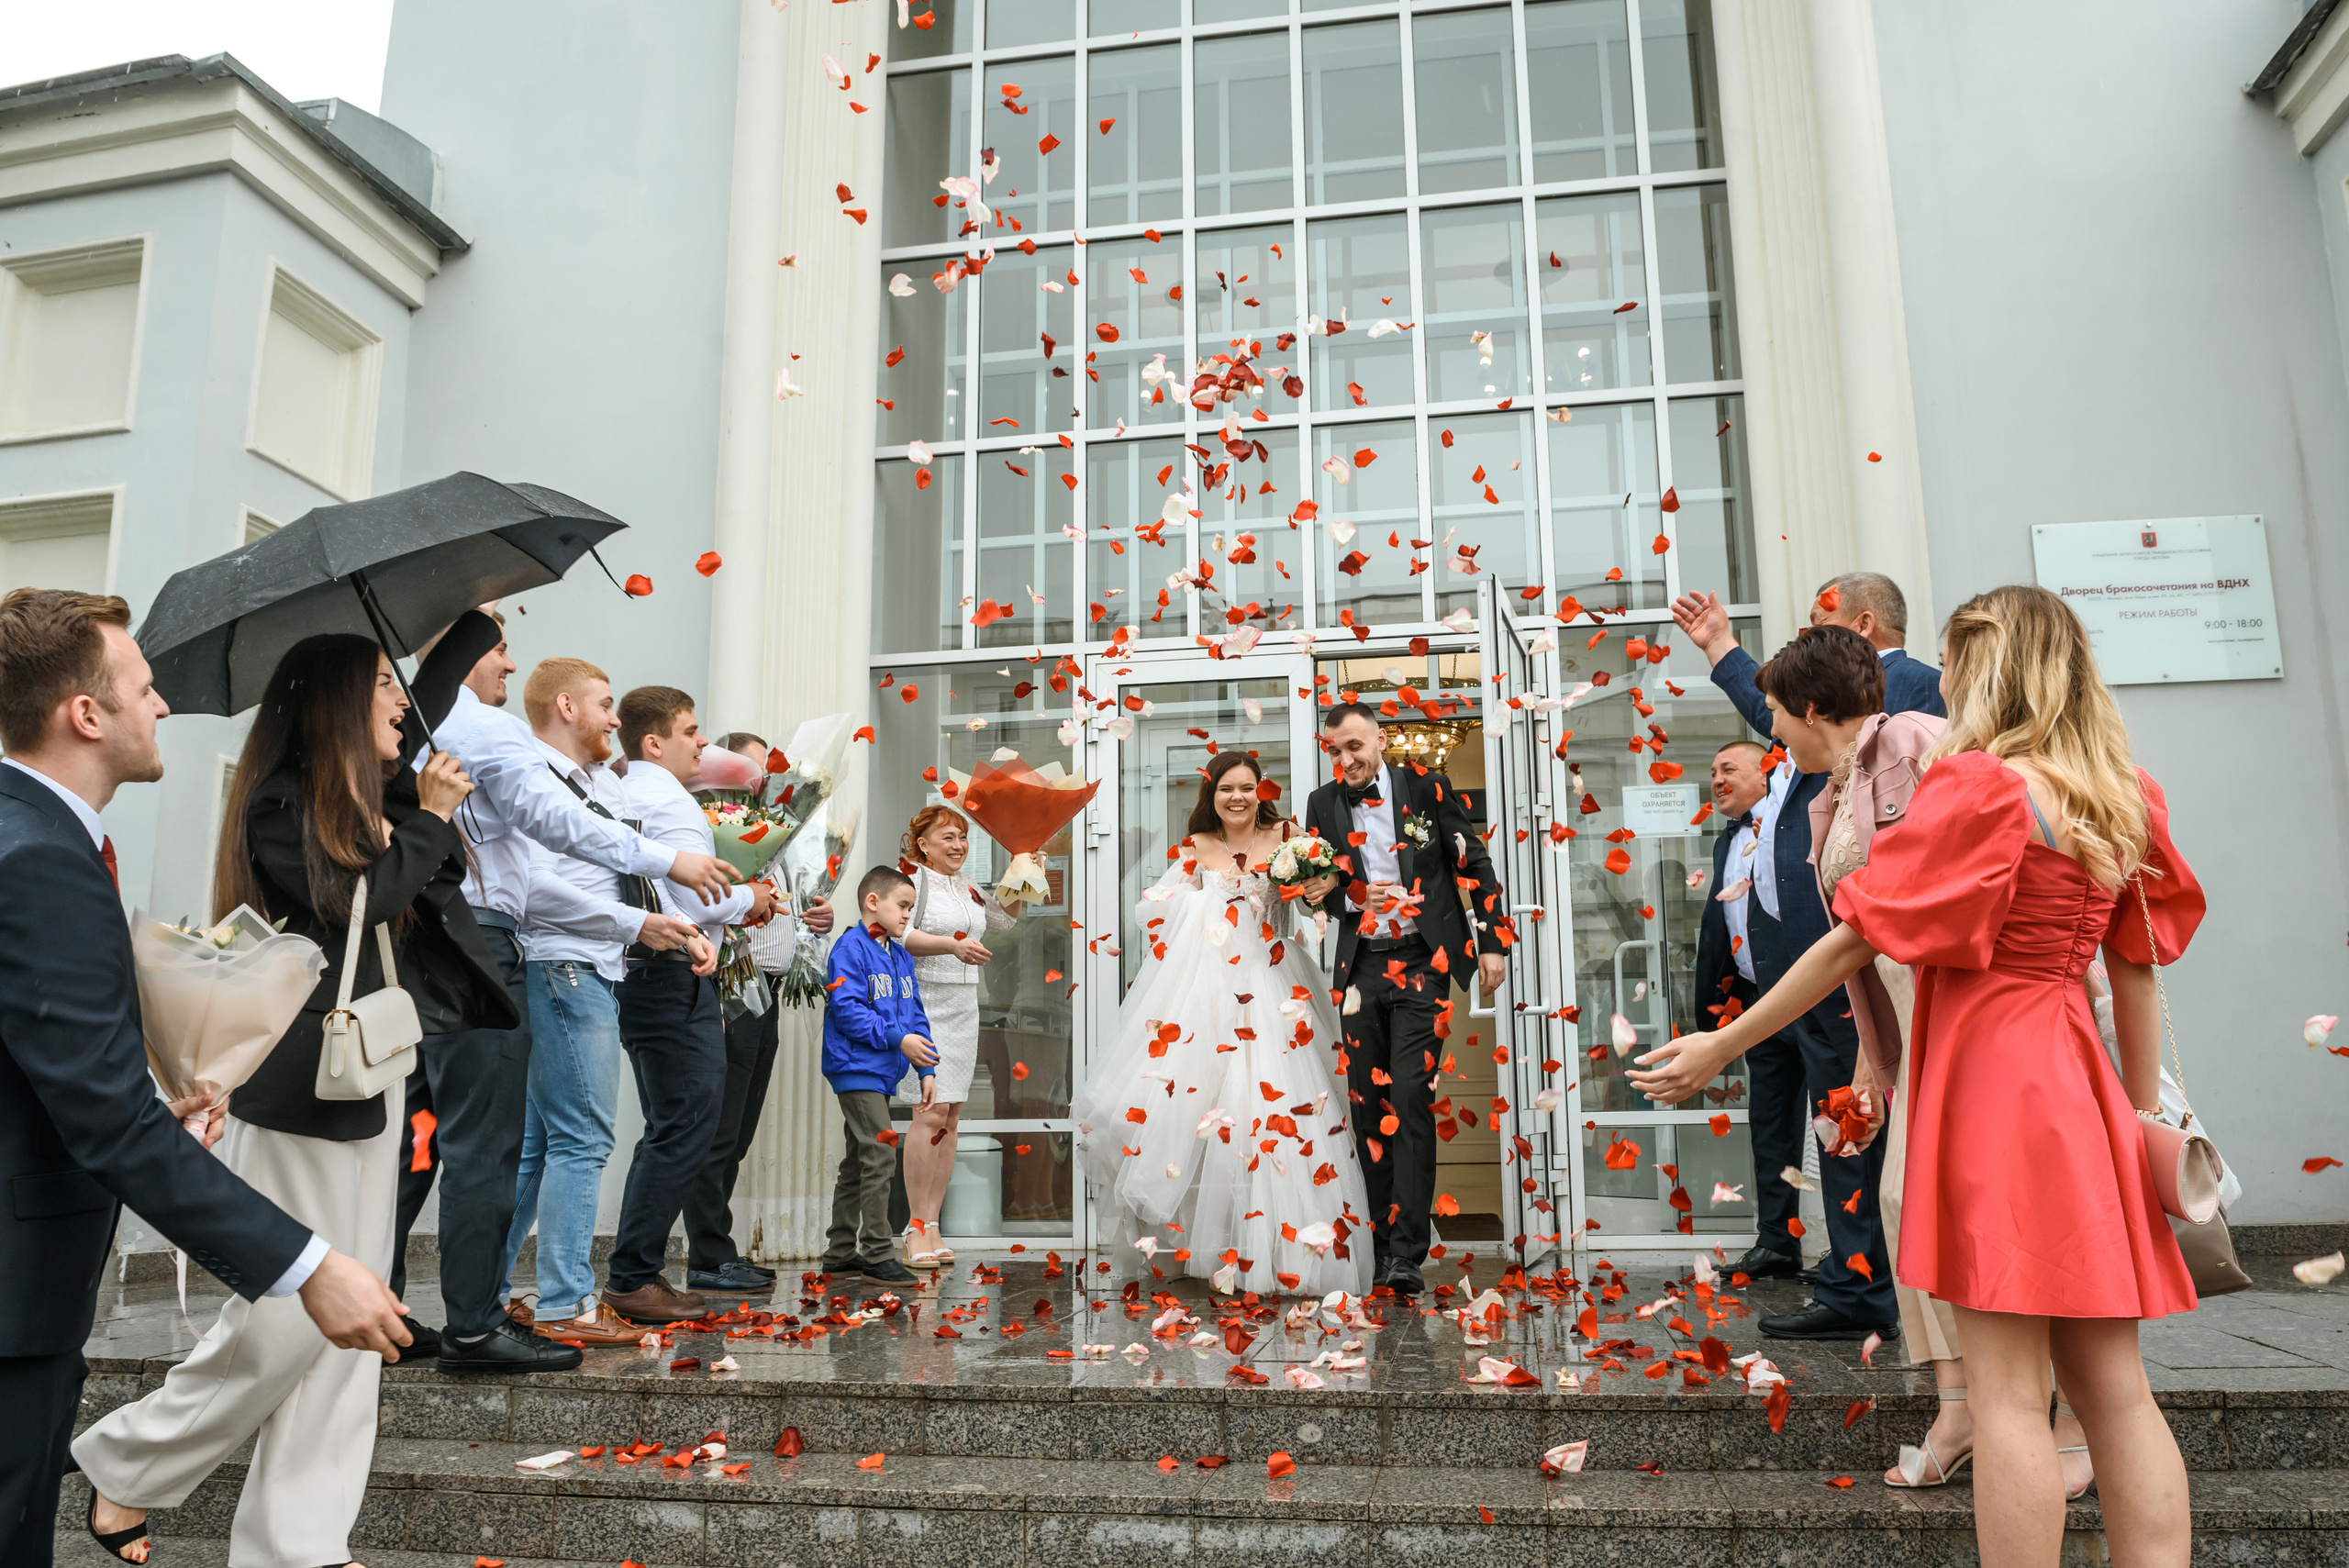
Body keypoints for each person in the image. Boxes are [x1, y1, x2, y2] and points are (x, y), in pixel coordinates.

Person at [1632, 584, 2202, 1568]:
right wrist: (2144, 1115)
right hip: (2084, 1084)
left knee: (2009, 1395)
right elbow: (2136, 971)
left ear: (1989, 668)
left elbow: (1856, 938)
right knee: (2117, 1388)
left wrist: (1724, 1044)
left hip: (1990, 1085)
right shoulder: (2126, 790)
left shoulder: (1979, 785)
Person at [75, 622, 517, 1568]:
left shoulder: (368, 796)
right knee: (287, 1309)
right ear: (333, 703)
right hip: (299, 1080)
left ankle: (299, 1543)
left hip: (372, 1071)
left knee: (358, 1319)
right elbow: (354, 894)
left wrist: (472, 624)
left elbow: (417, 836)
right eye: (379, 689)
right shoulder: (284, 802)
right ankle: (127, 1461)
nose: (401, 704)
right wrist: (429, 819)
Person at [0, 589, 409, 1568]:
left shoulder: (41, 838)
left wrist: (149, 1095)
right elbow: (100, 1123)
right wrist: (309, 1265)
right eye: (144, 689)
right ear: (85, 713)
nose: (163, 707)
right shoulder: (38, 857)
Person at [389, 617, 736, 1371]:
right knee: (533, 1139)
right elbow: (549, 855)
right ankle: (551, 1304)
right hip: (531, 954)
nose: (511, 665)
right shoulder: (480, 730)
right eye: (498, 648)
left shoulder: (475, 738)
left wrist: (643, 916)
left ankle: (463, 1305)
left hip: (513, 944)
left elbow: (541, 860)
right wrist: (662, 873)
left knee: (491, 1142)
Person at [1669, 601, 1916, 1340]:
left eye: (1775, 712)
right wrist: (1720, 646)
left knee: (1854, 1124)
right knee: (1829, 1124)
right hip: (1797, 973)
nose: (1766, 724)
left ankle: (1863, 1285)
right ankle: (1849, 1274)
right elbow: (1776, 705)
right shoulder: (1808, 758)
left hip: (1849, 970)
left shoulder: (1905, 717)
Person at [1074, 751, 1371, 1297]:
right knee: (1211, 1118)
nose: (1237, 797)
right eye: (1226, 789)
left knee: (1279, 1113)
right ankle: (1223, 1246)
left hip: (1278, 987)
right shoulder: (1196, 848)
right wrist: (1201, 906)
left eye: (1247, 788)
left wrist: (1315, 887)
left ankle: (1286, 1253)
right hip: (1210, 994)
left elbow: (1313, 904)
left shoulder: (1289, 835)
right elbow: (1153, 912)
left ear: (1262, 791)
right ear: (1211, 797)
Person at [499, 659, 704, 1346]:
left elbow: (629, 862)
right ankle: (564, 1302)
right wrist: (635, 924)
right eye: (606, 704)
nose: (617, 719)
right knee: (582, 1139)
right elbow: (534, 891)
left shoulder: (589, 782)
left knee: (538, 1147)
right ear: (566, 705)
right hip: (566, 969)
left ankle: (493, 1292)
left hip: (580, 968)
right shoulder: (533, 778)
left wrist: (675, 920)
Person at [1295, 705, 1510, 1296]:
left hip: (1421, 961)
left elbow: (1475, 863)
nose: (1346, 761)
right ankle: (1382, 1246)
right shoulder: (1322, 804)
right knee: (1369, 1106)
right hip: (1362, 968)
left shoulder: (1428, 786)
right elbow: (1320, 895)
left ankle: (1409, 1252)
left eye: (1355, 747)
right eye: (1336, 751)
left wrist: (1492, 942)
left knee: (1411, 1097)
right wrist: (1349, 900)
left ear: (1380, 739)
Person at [606, 687, 775, 1320]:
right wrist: (749, 898)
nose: (703, 742)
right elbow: (697, 899)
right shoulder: (666, 800)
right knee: (686, 1122)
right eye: (691, 730)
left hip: (657, 970)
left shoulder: (634, 791)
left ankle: (639, 1269)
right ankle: (632, 1274)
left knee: (678, 1122)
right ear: (655, 741)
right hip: (668, 973)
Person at [682, 731, 833, 1295]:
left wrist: (815, 919)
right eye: (746, 769)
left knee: (739, 1133)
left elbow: (789, 905)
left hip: (765, 989)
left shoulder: (776, 838)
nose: (758, 780)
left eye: (764, 770)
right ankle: (707, 1255)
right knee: (717, 1130)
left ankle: (716, 1249)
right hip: (725, 985)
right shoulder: (708, 832)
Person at [1691, 740, 1817, 1282]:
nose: (1717, 780)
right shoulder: (1728, 841)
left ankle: (1856, 1250)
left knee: (1834, 1120)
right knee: (1769, 1123)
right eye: (1712, 771)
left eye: (1728, 769)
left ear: (1767, 775)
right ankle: (1777, 1242)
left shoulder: (1796, 825)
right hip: (1756, 999)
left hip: (1812, 992)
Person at [895, 803, 1022, 1270]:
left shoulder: (968, 885)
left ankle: (933, 1223)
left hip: (965, 1007)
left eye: (962, 836)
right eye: (947, 837)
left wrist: (1022, 872)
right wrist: (952, 944)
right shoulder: (909, 879)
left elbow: (1006, 920)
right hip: (924, 1003)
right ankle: (913, 1226)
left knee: (950, 1118)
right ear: (922, 844)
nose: (958, 845)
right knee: (928, 1113)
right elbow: (896, 930)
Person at [820, 865, 934, 1286]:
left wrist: (925, 1068)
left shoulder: (900, 955)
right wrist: (896, 1039)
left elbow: (916, 1016)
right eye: (903, 906)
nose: (908, 915)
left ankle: (839, 1253)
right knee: (881, 1153)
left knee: (859, 1160)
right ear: (873, 902)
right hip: (855, 1068)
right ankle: (876, 1251)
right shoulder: (849, 948)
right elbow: (847, 1011)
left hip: (881, 1072)